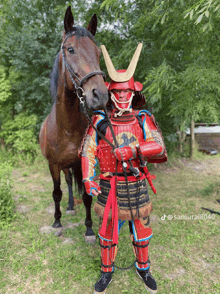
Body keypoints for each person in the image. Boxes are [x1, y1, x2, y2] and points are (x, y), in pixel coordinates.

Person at [80, 43, 167, 294]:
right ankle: (107, 273)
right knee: (107, 234)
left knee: (142, 232)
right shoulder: (99, 120)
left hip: (137, 183)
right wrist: (88, 179)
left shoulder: (143, 119)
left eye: (126, 91)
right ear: (110, 93)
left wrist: (134, 150)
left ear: (133, 93)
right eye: (117, 92)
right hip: (110, 186)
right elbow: (88, 150)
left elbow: (158, 145)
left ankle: (144, 269)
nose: (121, 96)